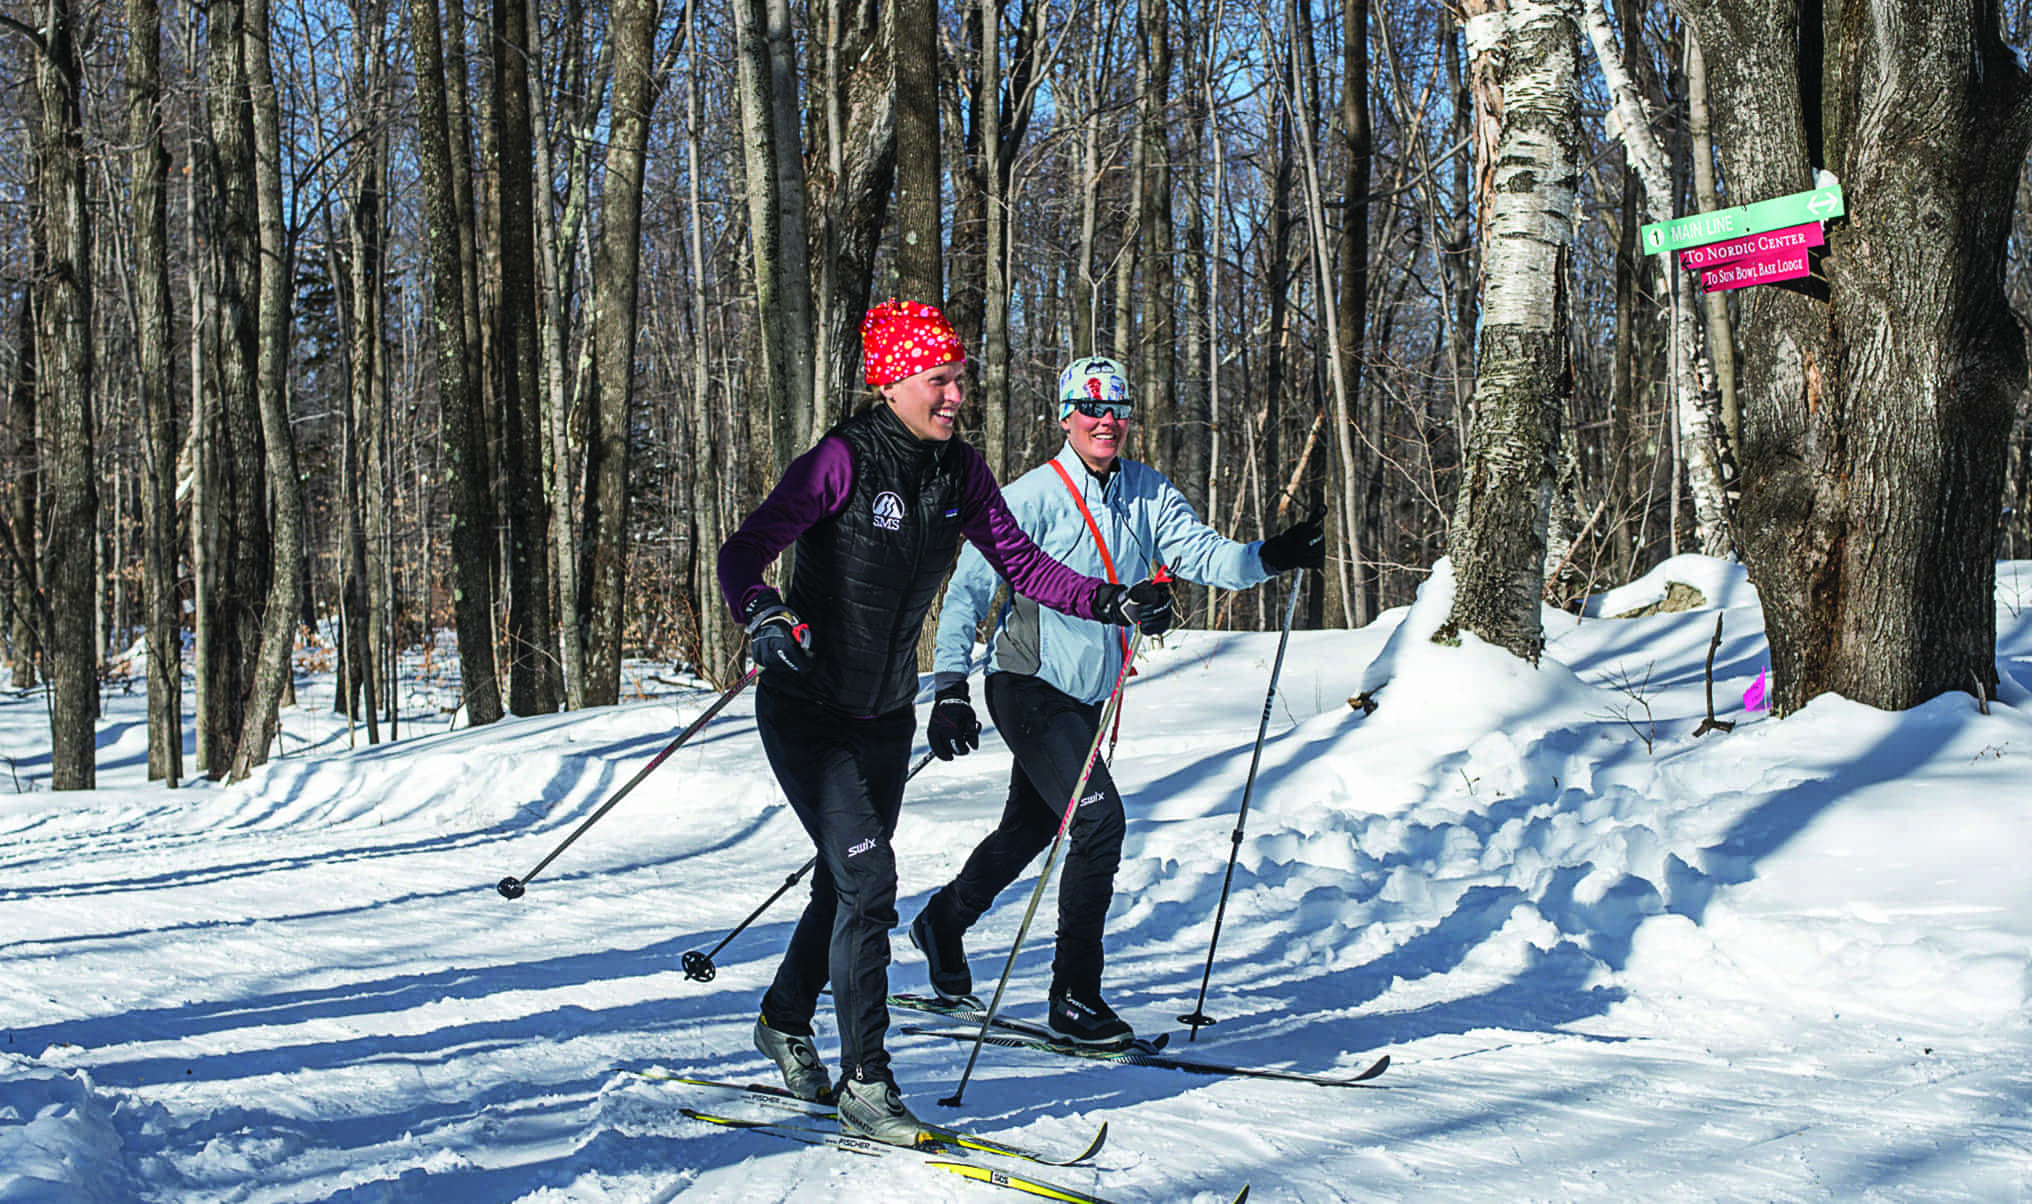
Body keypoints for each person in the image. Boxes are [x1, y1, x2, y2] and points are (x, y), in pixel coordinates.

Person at [716, 306, 1172, 1146]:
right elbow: (745, 550)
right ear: (893, 382)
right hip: (808, 707)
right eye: (941, 381)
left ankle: (784, 1017)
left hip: (886, 711)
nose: (958, 395)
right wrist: (762, 613)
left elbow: (1024, 563)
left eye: (961, 379)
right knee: (868, 880)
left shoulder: (959, 471)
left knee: (843, 881)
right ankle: (867, 1081)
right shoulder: (840, 461)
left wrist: (1106, 598)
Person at [909, 354, 1326, 1047]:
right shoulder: (1030, 497)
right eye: (1091, 408)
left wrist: (1273, 555)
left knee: (1029, 830)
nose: (1106, 421)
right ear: (1065, 417)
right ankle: (1075, 998)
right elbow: (968, 595)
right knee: (1100, 824)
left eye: (1118, 410)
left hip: (1084, 701)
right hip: (1026, 685)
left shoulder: (1148, 493)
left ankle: (942, 923)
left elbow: (1209, 558)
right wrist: (950, 685)